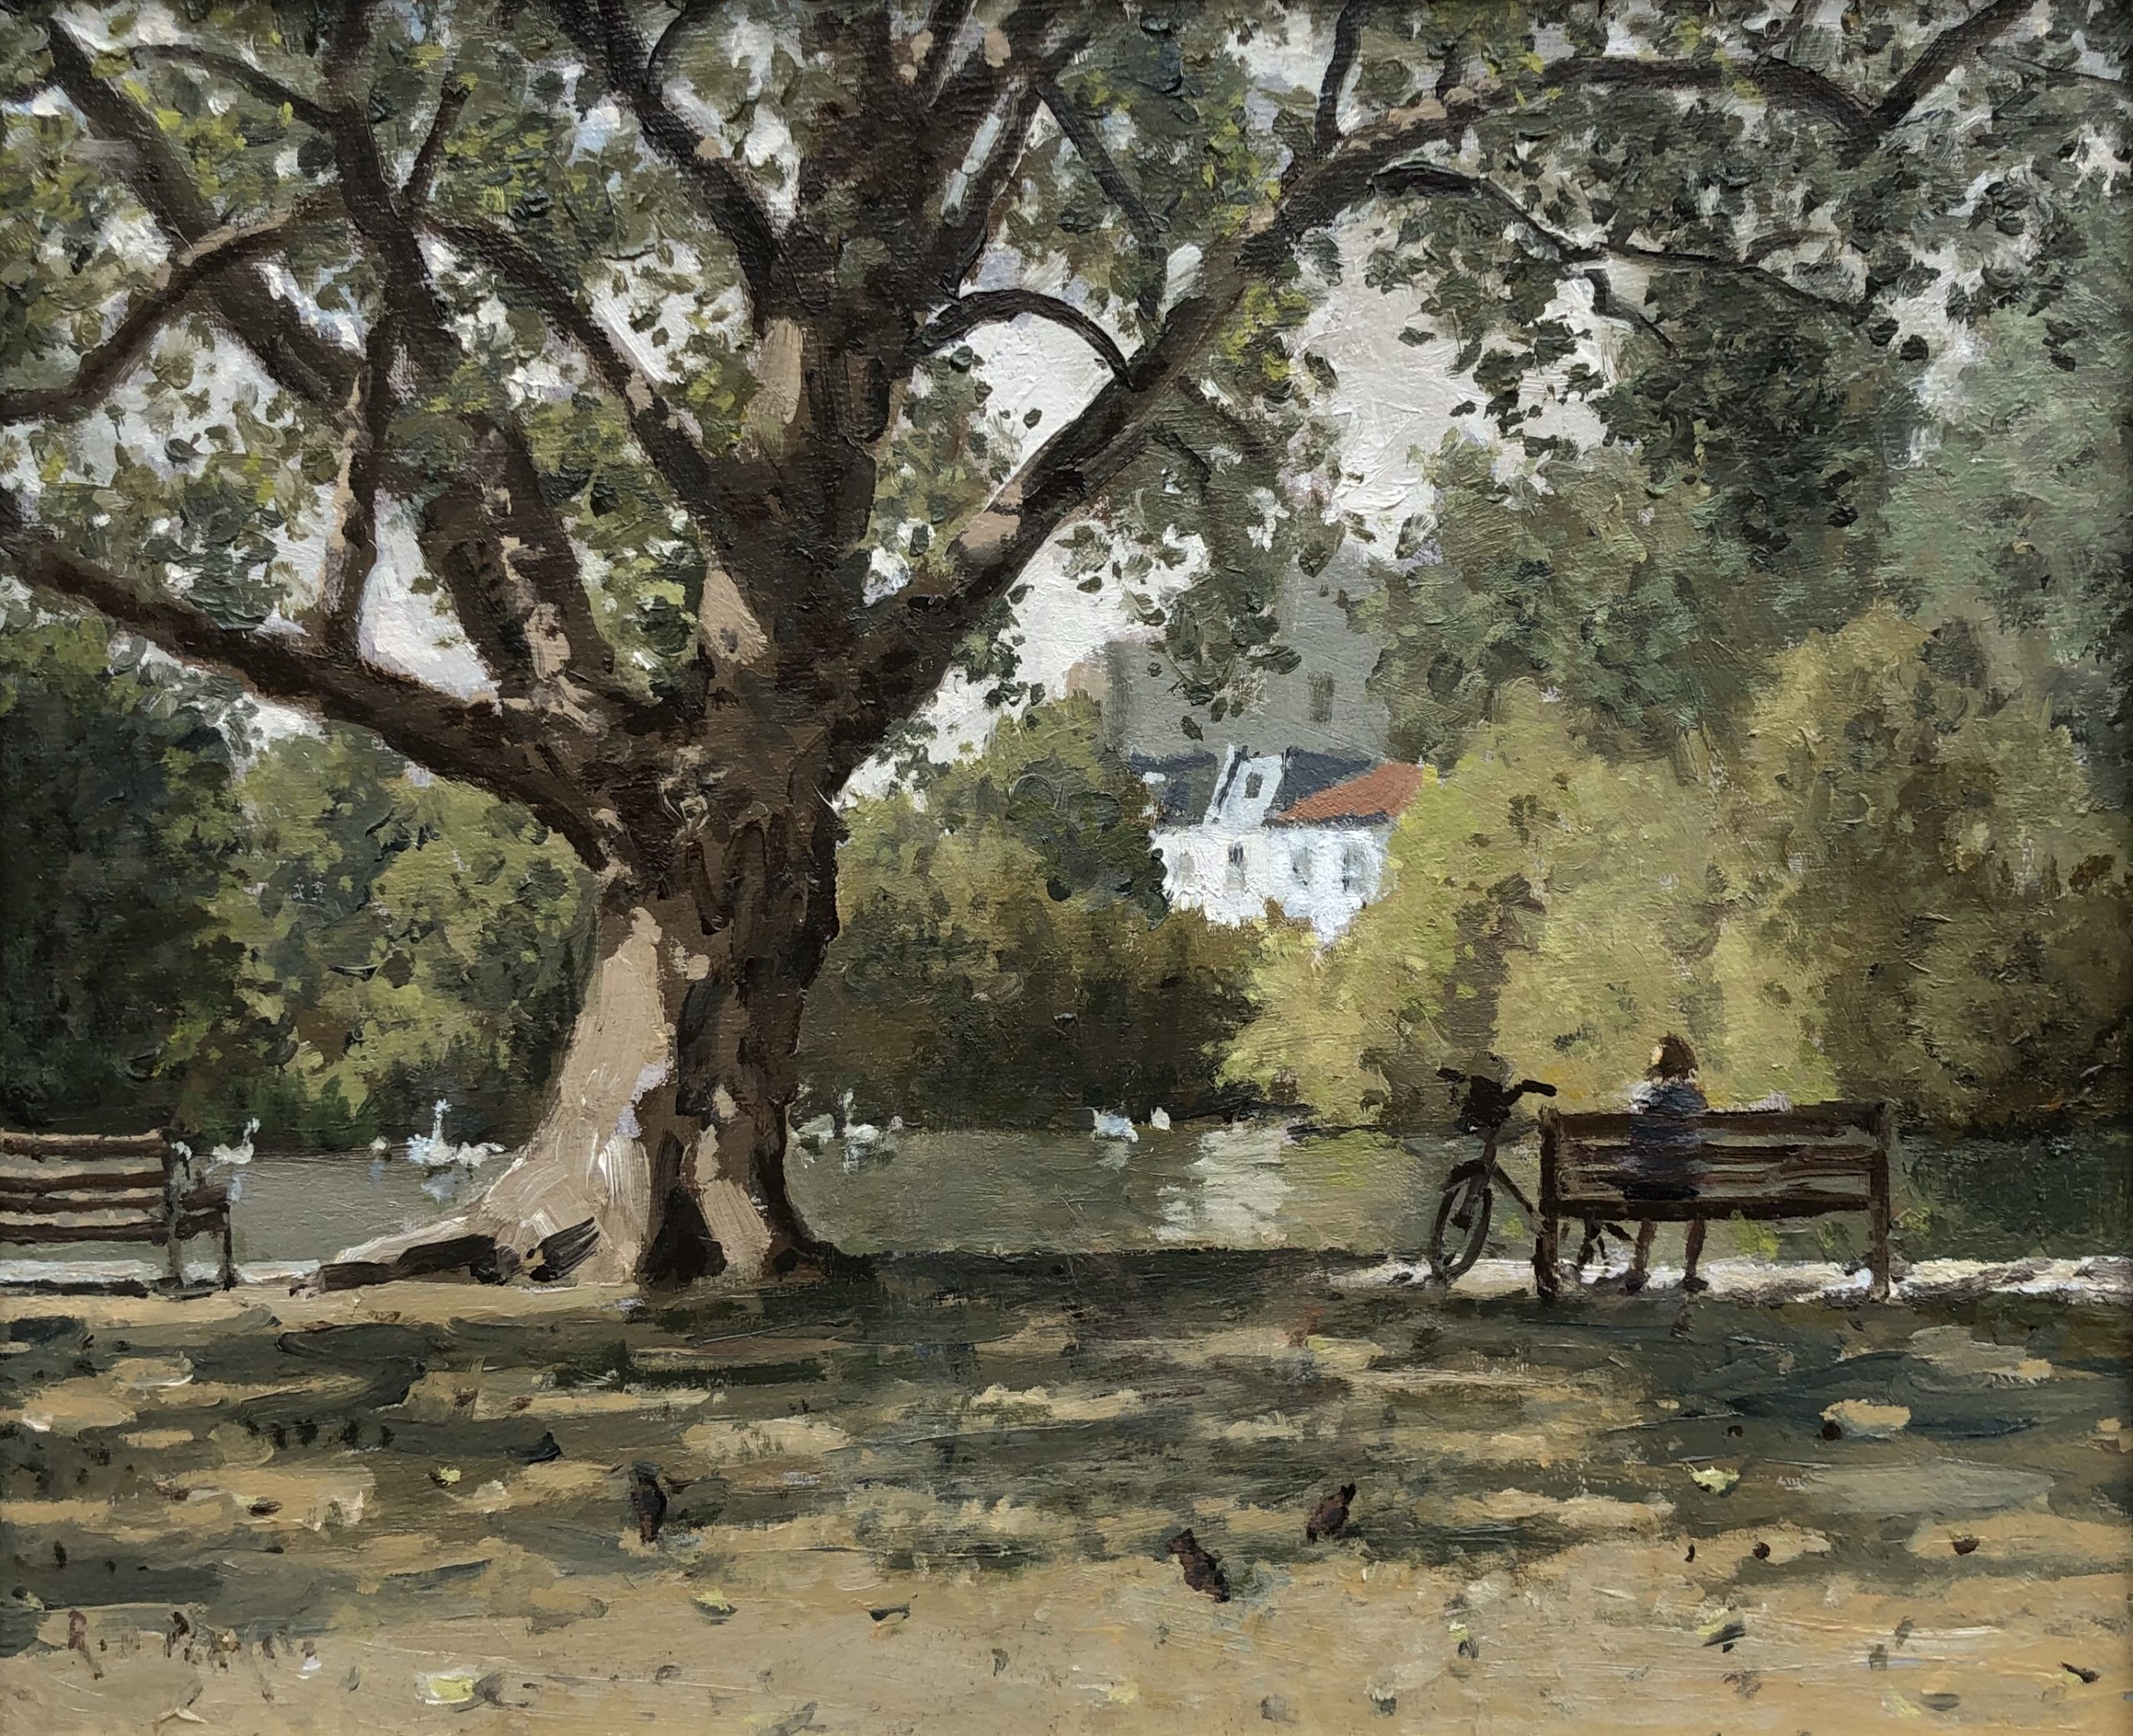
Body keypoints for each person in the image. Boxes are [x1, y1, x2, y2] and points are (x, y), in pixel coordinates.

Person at [1622, 1033, 1709, 1295]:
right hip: (1683, 1186)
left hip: (1645, 1185)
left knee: (1649, 1208)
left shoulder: (1643, 1094)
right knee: (1698, 1210)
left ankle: (1638, 1267)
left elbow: (1635, 1134)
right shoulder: (1693, 1099)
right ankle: (1690, 1271)